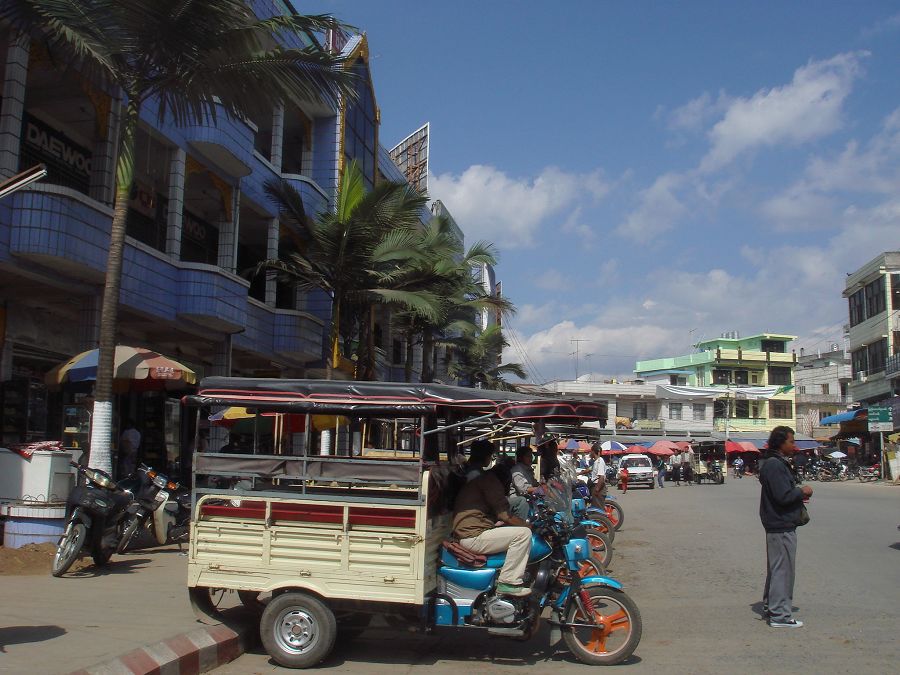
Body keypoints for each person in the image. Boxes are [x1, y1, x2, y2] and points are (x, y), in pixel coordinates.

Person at [759, 425, 813, 628]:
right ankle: (780, 615)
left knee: (777, 568)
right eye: (791, 441)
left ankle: (771, 606)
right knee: (783, 569)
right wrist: (802, 491)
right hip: (780, 524)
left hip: (777, 523)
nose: (794, 445)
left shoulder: (774, 463)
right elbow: (783, 496)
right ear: (781, 443)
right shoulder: (775, 465)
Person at [452, 463, 533, 597]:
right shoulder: (490, 482)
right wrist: (526, 525)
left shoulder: (484, 480)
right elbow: (504, 515)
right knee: (523, 534)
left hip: (472, 533)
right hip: (473, 537)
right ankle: (508, 582)